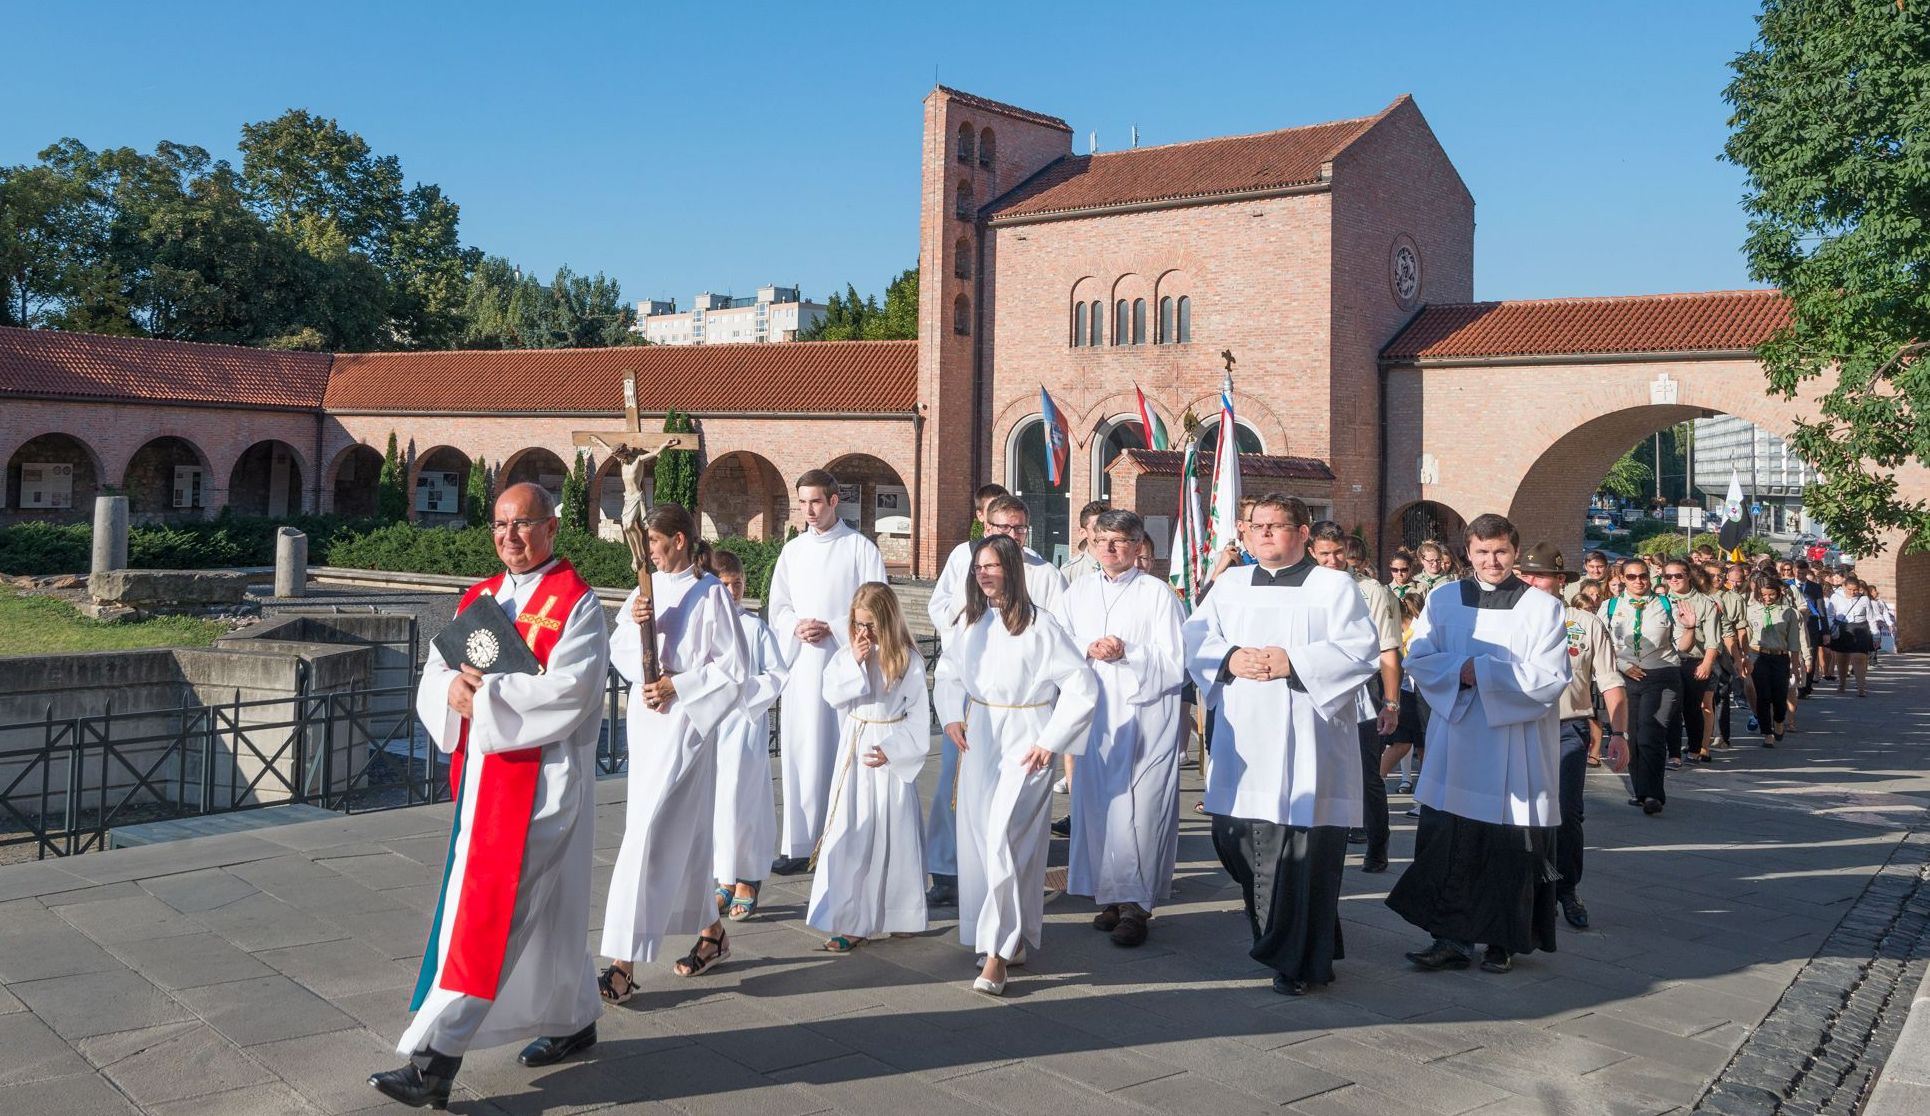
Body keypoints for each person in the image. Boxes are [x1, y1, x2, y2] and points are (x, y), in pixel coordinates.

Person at [372, 484, 610, 1109]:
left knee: (490, 915)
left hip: (542, 780)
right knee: (553, 909)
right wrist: (451, 690)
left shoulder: (578, 603)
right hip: (485, 779)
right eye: (501, 525)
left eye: (524, 524)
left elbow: (574, 691)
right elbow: (438, 670)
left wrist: (486, 697)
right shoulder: (480, 597)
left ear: (552, 530)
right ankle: (573, 1018)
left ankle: (436, 1060)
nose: (510, 536)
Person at [1182, 494, 1379, 995]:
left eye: (1277, 525)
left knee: (1302, 854)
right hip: (1244, 737)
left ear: (1303, 532)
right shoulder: (1230, 583)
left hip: (1308, 742)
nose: (1265, 533)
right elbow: (1195, 639)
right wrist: (1228, 659)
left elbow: (1360, 651)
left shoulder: (1334, 586)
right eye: (1257, 526)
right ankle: (1296, 943)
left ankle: (1297, 959)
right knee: (1235, 842)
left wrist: (1293, 662)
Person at [1386, 514, 1569, 976]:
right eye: (1482, 552)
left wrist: (1477, 672)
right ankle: (1450, 939)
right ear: (1467, 553)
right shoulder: (1444, 598)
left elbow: (1550, 679)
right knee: (1450, 843)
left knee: (1508, 847)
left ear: (1514, 552)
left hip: (1515, 743)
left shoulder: (1541, 608)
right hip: (1457, 740)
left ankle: (1501, 942)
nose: (1492, 561)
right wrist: (1460, 672)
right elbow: (1419, 657)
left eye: (1501, 552)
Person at [935, 534, 1098, 996]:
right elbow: (947, 671)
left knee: (1005, 841)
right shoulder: (971, 623)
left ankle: (997, 955)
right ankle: (1011, 935)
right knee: (981, 843)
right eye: (978, 567)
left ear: (1012, 568)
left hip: (1027, 741)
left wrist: (1052, 740)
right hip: (980, 737)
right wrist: (950, 715)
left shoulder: (1041, 626)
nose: (983, 573)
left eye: (992, 565)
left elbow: (1081, 685)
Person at [599, 504, 748, 1005]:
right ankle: (712, 932)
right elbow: (620, 645)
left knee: (647, 835)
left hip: (686, 724)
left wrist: (677, 685)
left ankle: (622, 964)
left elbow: (734, 669)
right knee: (679, 836)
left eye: (657, 545)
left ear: (681, 539)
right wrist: (638, 626)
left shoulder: (711, 595)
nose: (651, 555)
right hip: (647, 724)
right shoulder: (648, 588)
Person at [1053, 510, 1187, 947]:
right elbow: (1057, 644)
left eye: (1120, 541)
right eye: (1102, 541)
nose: (1110, 549)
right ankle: (1109, 896)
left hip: (1143, 715)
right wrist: (1087, 648)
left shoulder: (1157, 594)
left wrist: (1129, 653)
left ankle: (1137, 906)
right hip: (1096, 714)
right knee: (1098, 807)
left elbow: (1174, 660)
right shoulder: (1077, 592)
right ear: (1091, 544)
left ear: (1137, 545)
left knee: (1141, 811)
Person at [926, 495, 1068, 901]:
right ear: (986, 527)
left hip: (1023, 705)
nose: (1011, 535)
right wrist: (971, 630)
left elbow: (1061, 637)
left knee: (1012, 806)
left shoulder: (1044, 574)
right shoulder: (964, 558)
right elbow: (942, 608)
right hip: (978, 697)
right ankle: (949, 869)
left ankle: (1008, 884)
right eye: (1002, 527)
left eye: (1018, 528)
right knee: (955, 789)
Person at [767, 470, 888, 875]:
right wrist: (795, 626)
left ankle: (839, 838)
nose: (808, 511)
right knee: (802, 751)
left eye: (816, 502)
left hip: (845, 665)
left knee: (839, 751)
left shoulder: (860, 549)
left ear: (835, 501)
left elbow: (877, 606)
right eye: (802, 503)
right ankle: (799, 843)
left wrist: (835, 627)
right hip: (803, 667)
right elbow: (778, 606)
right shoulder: (793, 552)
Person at [808, 582, 931, 952]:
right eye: (859, 625)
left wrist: (894, 749)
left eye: (872, 626)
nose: (864, 634)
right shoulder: (847, 655)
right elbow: (831, 694)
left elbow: (919, 717)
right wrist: (856, 665)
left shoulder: (908, 659)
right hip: (857, 749)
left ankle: (902, 913)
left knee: (896, 834)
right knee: (854, 834)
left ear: (888, 621)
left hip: (888, 751)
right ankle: (852, 920)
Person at [1514, 544, 1626, 932]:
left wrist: (1619, 733)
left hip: (1567, 728)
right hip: (1517, 726)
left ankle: (1566, 889)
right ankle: (1522, 888)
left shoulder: (1584, 621)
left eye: (1539, 575)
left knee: (1567, 814)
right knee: (1517, 815)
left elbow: (1609, 680)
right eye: (1525, 574)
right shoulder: (1508, 617)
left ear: (1561, 581)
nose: (1530, 581)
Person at [1310, 523, 1401, 874]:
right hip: (1315, 687)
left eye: (1338, 552)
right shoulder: (1306, 585)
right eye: (1324, 554)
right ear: (1312, 552)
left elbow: (1388, 648)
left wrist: (1391, 702)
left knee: (1367, 773)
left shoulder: (1369, 589)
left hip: (1363, 689)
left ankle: (1377, 847)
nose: (1333, 560)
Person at [709, 550, 786, 922]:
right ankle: (724, 876)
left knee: (747, 801)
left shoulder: (755, 628)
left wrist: (743, 692)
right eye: (724, 585)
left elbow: (776, 673)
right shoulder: (705, 625)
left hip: (745, 725)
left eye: (737, 584)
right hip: (715, 726)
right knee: (719, 804)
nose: (732, 591)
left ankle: (748, 878)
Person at [1600, 558, 1697, 815]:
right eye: (1631, 577)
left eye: (1643, 576)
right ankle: (1640, 790)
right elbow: (1602, 646)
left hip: (1662, 674)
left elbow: (1683, 646)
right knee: (1630, 736)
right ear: (1622, 578)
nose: (1639, 581)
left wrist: (1690, 627)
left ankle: (1654, 794)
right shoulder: (1609, 607)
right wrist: (1621, 665)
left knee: (1651, 734)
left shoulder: (1666, 605)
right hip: (1627, 677)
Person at [1662, 560, 1722, 767]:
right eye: (1668, 576)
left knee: (1692, 707)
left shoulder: (1705, 602)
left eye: (1678, 575)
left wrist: (1706, 664)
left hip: (1694, 661)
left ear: (1688, 576)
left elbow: (1714, 640)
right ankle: (1674, 754)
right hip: (1667, 661)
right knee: (1670, 707)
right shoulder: (1660, 602)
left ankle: (1695, 749)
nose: (1673, 580)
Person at [1741, 574, 1803, 745]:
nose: (1767, 598)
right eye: (1764, 595)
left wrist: (1795, 666)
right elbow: (1745, 636)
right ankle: (1767, 732)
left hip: (1780, 657)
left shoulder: (1788, 612)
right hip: (1758, 656)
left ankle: (1778, 721)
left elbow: (1794, 642)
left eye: (1771, 595)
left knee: (1779, 695)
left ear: (1778, 593)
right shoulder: (1751, 610)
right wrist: (1745, 657)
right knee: (1763, 695)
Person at [1380, 591, 1428, 798]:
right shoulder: (1402, 632)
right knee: (1404, 743)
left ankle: (1425, 798)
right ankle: (1375, 779)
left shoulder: (1418, 631)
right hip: (1405, 693)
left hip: (1420, 694)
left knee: (1422, 746)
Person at [1831, 577, 1876, 697]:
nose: (1852, 592)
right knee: (1842, 658)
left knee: (1859, 657)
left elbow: (1871, 618)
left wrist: (1875, 635)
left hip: (1860, 629)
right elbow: (1830, 615)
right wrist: (1831, 628)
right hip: (1843, 628)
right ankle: (1842, 683)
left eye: (1855, 590)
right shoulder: (1836, 597)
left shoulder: (1864, 599)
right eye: (1850, 589)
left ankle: (1861, 687)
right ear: (1844, 587)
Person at [1062, 499, 1110, 581]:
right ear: (1083, 532)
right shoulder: (1070, 571)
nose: (1102, 532)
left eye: (1107, 526)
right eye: (1096, 527)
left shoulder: (1122, 565)